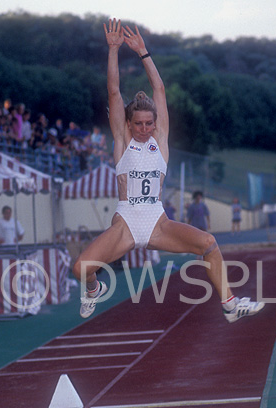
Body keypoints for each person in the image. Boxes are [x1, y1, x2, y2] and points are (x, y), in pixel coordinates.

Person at [72, 19, 265, 323]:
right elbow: (113, 92)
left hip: (157, 222)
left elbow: (159, 88)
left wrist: (144, 53)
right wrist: (113, 50)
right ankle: (93, 289)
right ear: (128, 124)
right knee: (81, 269)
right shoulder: (123, 142)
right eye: (138, 123)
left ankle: (230, 305)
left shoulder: (159, 142)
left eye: (150, 123)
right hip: (126, 223)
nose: (145, 128)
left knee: (208, 244)